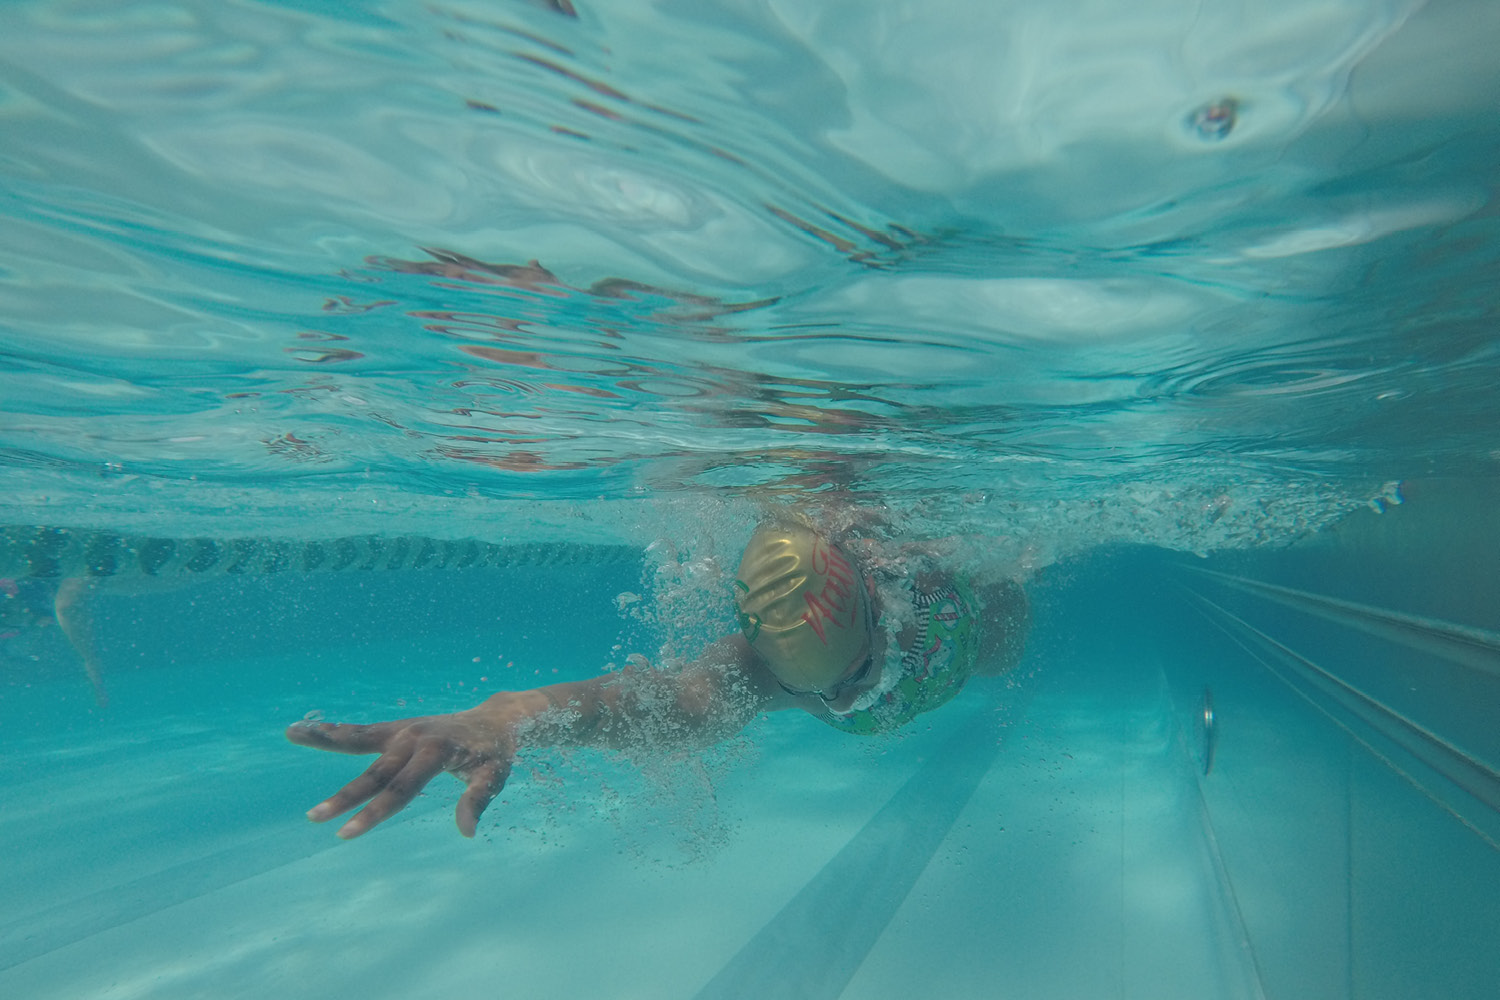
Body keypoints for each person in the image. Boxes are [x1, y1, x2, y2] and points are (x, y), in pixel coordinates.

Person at [288, 519, 1031, 839]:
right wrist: (507, 716)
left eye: (854, 674)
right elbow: (672, 701)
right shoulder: (762, 667)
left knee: (1009, 643)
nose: (844, 702)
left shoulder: (919, 571)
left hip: (969, 636)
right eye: (814, 692)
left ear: (879, 610)